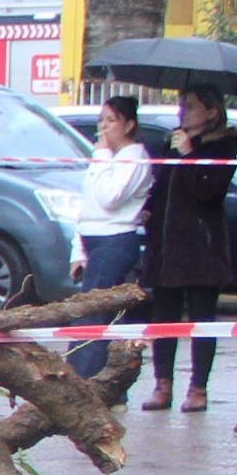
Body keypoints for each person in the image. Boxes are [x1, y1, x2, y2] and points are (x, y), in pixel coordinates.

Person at [136, 87, 237, 413]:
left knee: (201, 318)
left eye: (192, 106)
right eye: (182, 104)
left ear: (211, 112)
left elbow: (208, 191)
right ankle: (162, 384)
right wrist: (149, 208)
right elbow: (163, 184)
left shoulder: (223, 145)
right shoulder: (172, 140)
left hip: (200, 246)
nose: (184, 111)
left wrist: (190, 154)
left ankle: (198, 387)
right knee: (164, 316)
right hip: (167, 244)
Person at [65, 92, 154, 382]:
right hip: (93, 239)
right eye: (101, 120)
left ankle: (87, 380)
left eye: (112, 120)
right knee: (88, 309)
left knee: (95, 312)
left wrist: (102, 156)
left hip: (115, 239)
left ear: (128, 125)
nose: (104, 127)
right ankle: (86, 375)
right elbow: (88, 204)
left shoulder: (134, 157)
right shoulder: (102, 158)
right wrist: (77, 249)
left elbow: (110, 197)